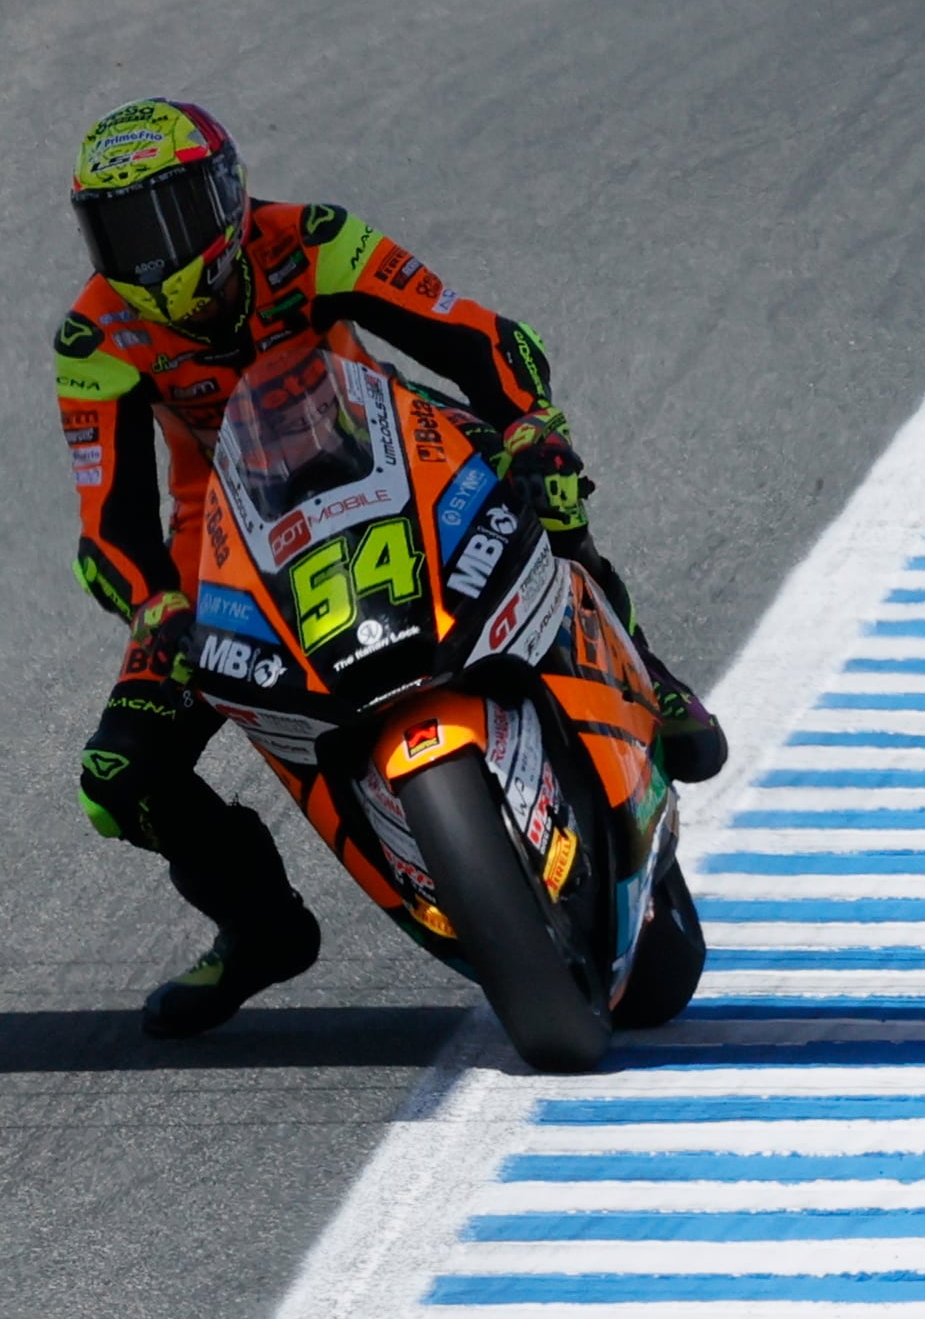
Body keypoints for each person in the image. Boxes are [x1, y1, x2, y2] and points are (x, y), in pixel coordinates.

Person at [54, 98, 725, 1038]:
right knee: (118, 774)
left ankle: (645, 674)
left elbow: (476, 334)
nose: (152, 257)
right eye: (120, 231)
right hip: (230, 551)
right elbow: (109, 525)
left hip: (398, 457)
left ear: (227, 193)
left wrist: (529, 414)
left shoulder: (312, 240)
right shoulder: (96, 339)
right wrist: (152, 603)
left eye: (168, 218)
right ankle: (259, 927)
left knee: (543, 479)